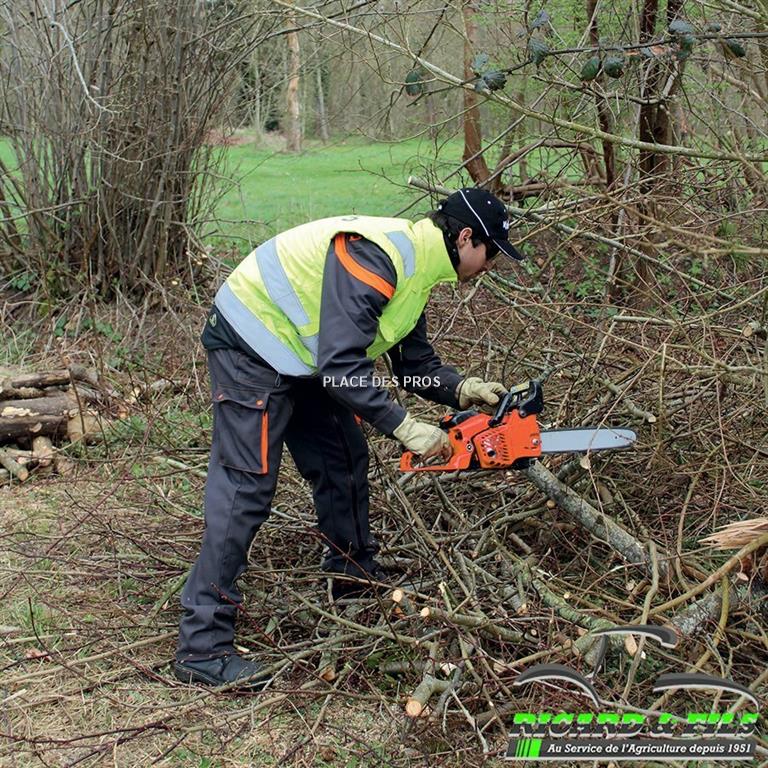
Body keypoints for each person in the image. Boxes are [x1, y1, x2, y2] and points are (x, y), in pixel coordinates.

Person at [174, 188, 524, 688]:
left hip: (305, 356)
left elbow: (414, 365)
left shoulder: (419, 271)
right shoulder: (378, 256)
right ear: (466, 237)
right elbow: (341, 366)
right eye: (491, 253)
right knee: (245, 487)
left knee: (342, 457)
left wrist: (461, 388)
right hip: (252, 341)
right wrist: (405, 427)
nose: (490, 265)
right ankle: (202, 647)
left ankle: (353, 580)